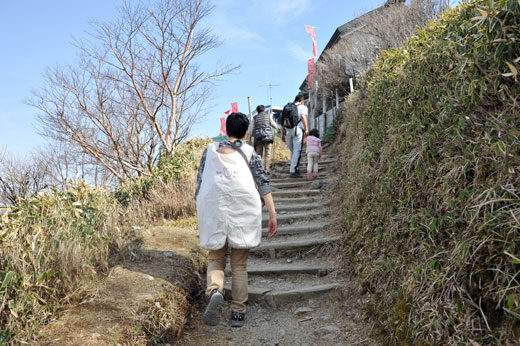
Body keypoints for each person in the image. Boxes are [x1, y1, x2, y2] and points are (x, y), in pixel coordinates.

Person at [195, 112, 278, 328]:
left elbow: (200, 183)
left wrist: (202, 210)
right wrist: (272, 213)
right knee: (239, 265)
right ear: (245, 132)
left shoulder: (209, 151)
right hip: (242, 210)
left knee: (215, 258)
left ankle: (214, 291)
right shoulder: (250, 152)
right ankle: (238, 313)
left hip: (214, 208)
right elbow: (262, 183)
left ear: (226, 130)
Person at [281, 94, 309, 178]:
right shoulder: (302, 107)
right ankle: (293, 170)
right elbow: (303, 117)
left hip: (287, 131)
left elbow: (282, 122)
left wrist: (282, 134)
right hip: (297, 130)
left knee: (293, 151)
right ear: (302, 101)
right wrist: (306, 129)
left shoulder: (287, 107)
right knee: (297, 151)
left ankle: (295, 168)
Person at [250, 105, 277, 172]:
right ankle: (266, 169)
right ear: (264, 110)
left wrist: (250, 136)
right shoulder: (268, 116)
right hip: (267, 137)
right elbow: (275, 126)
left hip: (258, 137)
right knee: (267, 154)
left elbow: (251, 129)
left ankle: (260, 169)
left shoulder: (255, 118)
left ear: (257, 111)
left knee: (259, 153)